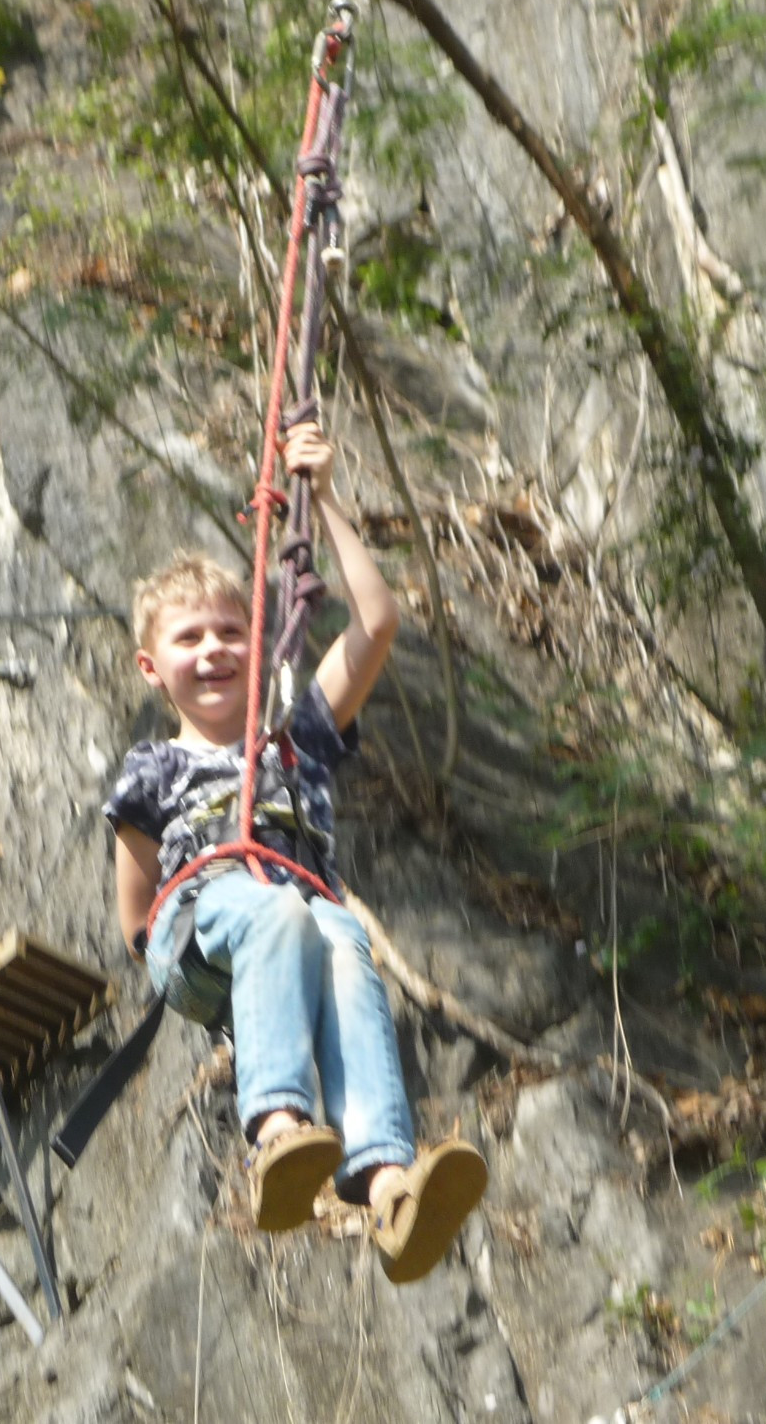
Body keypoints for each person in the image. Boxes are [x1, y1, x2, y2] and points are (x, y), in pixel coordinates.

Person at [104, 418, 487, 1284]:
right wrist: (190, 964)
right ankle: (277, 1127)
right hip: (204, 940)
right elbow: (134, 912)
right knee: (279, 908)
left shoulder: (294, 743)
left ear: (257, 646)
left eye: (230, 634)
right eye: (189, 639)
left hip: (290, 926)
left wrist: (329, 497)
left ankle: (388, 1180)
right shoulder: (151, 771)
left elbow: (377, 622)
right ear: (150, 668)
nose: (213, 650)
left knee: (345, 937)